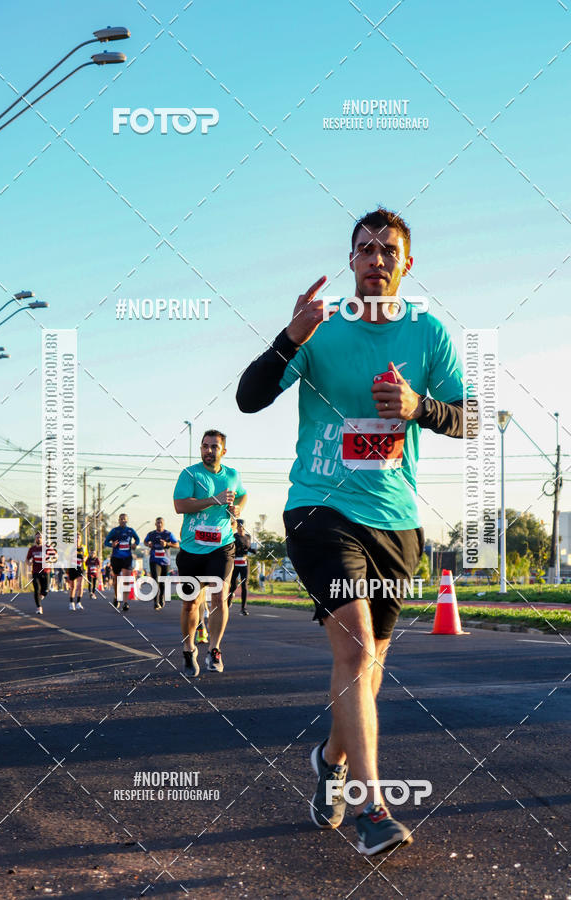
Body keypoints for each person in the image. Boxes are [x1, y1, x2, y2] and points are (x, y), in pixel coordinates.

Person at [237, 207, 468, 855]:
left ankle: (330, 761)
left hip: (396, 522)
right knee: (357, 650)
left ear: (407, 264)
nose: (375, 259)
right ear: (350, 261)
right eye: (363, 249)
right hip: (320, 510)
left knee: (365, 672)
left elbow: (474, 419)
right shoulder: (321, 327)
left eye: (387, 250)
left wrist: (422, 408)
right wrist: (289, 337)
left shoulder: (428, 335)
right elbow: (249, 398)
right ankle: (373, 811)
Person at [173, 430, 247, 675]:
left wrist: (236, 508)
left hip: (222, 545)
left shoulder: (232, 475)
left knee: (219, 596)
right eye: (205, 446)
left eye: (214, 446)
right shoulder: (190, 474)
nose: (208, 450)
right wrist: (213, 500)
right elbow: (180, 505)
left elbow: (243, 494)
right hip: (191, 548)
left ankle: (214, 649)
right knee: (190, 603)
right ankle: (188, 648)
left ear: (223, 451)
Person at [104, 513, 140, 611]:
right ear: (119, 520)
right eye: (121, 519)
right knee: (116, 580)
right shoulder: (114, 531)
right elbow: (106, 542)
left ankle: (125, 602)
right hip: (116, 558)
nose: (123, 520)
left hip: (127, 557)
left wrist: (134, 544)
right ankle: (116, 597)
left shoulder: (130, 530)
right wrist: (112, 545)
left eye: (124, 519)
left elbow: (137, 539)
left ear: (127, 520)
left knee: (126, 580)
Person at [143, 517, 179, 610]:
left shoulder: (168, 534)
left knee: (162, 582)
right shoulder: (151, 534)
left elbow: (177, 545)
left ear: (164, 524)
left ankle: (161, 596)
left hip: (165, 561)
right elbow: (145, 541)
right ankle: (155, 601)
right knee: (155, 580)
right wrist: (148, 544)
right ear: (155, 524)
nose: (159, 524)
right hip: (154, 560)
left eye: (161, 523)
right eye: (158, 523)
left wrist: (167, 544)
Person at [227, 519, 253, 615]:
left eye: (242, 526)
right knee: (233, 585)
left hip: (244, 562)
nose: (240, 528)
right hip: (235, 562)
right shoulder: (234, 536)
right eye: (238, 526)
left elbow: (248, 547)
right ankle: (228, 602)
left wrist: (253, 550)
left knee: (244, 585)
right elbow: (232, 548)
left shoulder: (248, 537)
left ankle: (243, 608)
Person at [26, 533, 52, 614]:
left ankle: (41, 596)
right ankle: (39, 607)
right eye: (37, 537)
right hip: (36, 572)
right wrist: (29, 563)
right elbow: (27, 559)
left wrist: (50, 560)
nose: (39, 539)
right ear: (35, 539)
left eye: (40, 537)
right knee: (37, 590)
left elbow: (56, 556)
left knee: (46, 590)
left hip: (46, 571)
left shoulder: (47, 547)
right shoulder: (32, 549)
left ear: (43, 539)